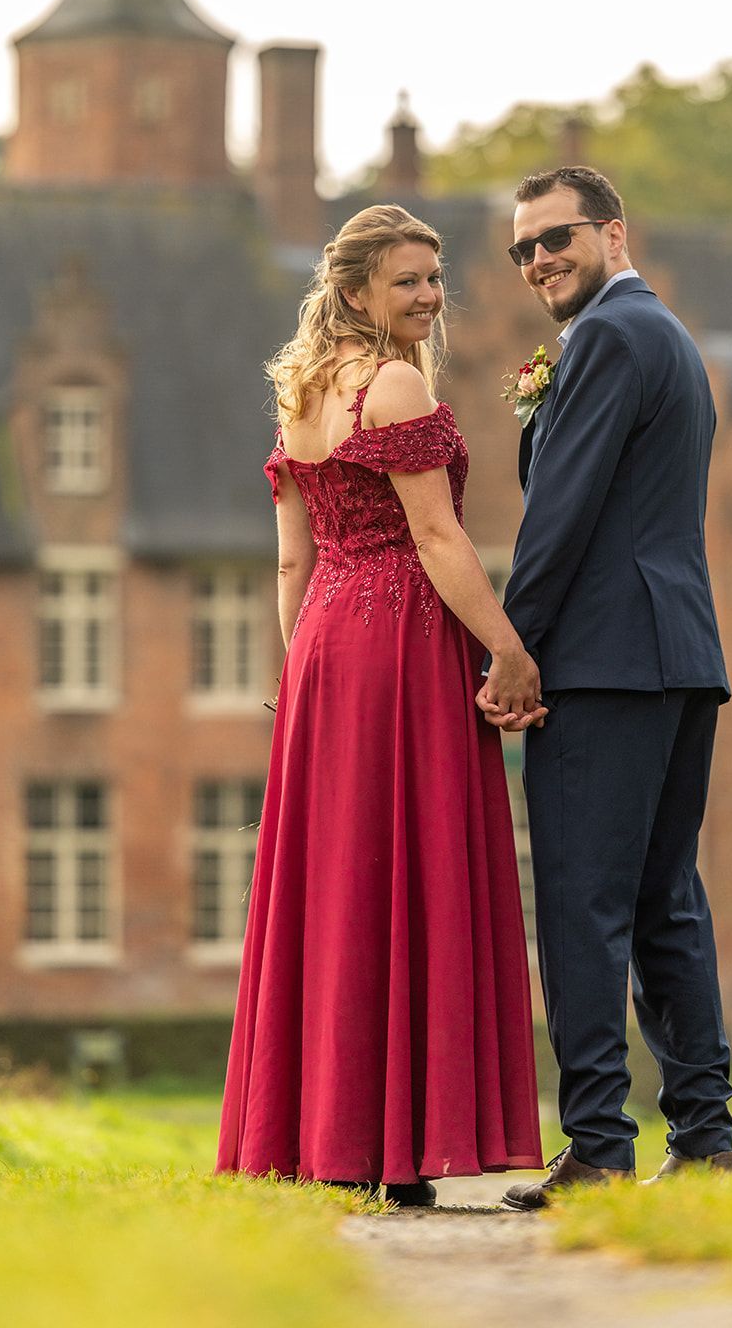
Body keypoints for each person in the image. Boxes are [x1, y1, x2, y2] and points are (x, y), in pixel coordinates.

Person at [216, 206, 545, 1204]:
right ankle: (402, 1145)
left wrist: (303, 672)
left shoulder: (301, 390)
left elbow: (292, 561)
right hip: (400, 638)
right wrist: (507, 649)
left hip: (324, 644)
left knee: (343, 881)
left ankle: (338, 1141)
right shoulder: (392, 382)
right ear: (355, 291)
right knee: (408, 866)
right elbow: (437, 538)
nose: (429, 296)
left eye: (434, 278)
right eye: (408, 281)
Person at [478, 166, 732, 1208]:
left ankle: (595, 1144)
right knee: (662, 899)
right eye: (523, 247)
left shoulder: (607, 338)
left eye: (557, 237)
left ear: (612, 231)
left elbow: (562, 513)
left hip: (602, 662)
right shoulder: (664, 335)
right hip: (677, 657)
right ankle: (705, 1141)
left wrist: (511, 648)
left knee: (583, 903)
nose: (538, 258)